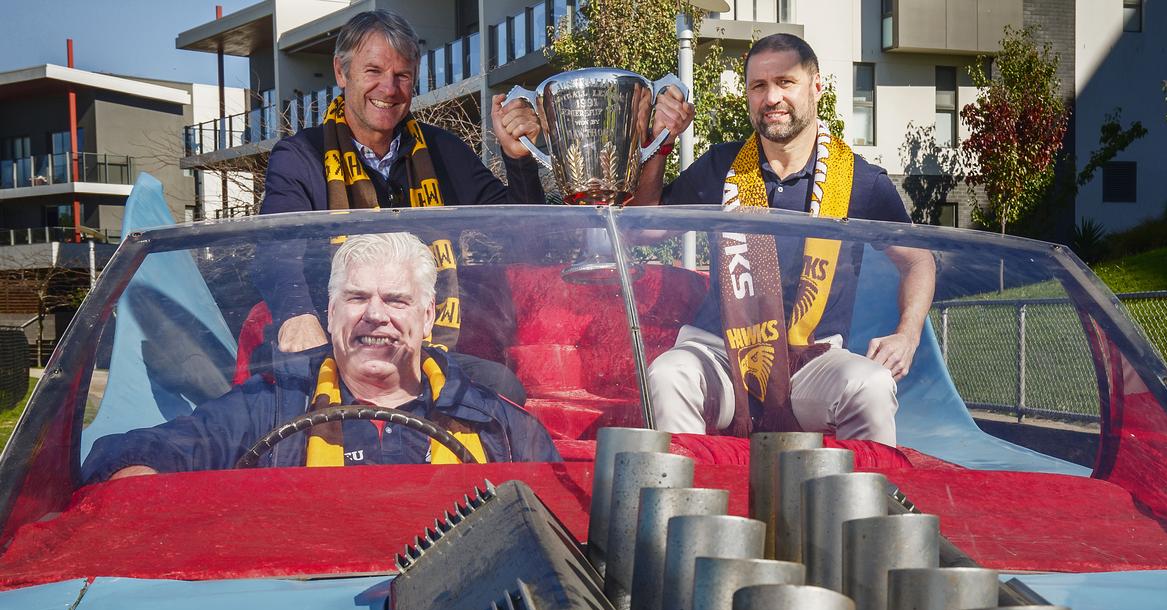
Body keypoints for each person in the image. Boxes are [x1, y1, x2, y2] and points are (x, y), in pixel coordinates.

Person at [634, 34, 936, 446]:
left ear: (816, 87)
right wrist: (660, 142)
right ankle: (686, 505)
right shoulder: (721, 167)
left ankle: (861, 508)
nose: (771, 97)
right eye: (759, 86)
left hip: (810, 359)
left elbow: (918, 261)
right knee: (670, 374)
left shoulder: (862, 183)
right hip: (723, 353)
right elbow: (644, 228)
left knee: (871, 385)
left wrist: (908, 334)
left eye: (785, 82)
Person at [82, 232, 561, 484]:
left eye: (396, 300)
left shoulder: (497, 421)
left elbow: (560, 517)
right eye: (356, 299)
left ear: (428, 315)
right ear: (330, 314)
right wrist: (138, 478)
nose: (375, 315)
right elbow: (137, 453)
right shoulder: (269, 405)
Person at [255, 10, 543, 403]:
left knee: (503, 390)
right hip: (331, 352)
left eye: (402, 75)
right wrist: (296, 314)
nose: (388, 88)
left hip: (423, 352)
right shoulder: (300, 155)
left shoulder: (443, 151)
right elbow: (275, 246)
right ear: (342, 73)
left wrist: (519, 158)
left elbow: (525, 237)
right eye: (373, 71)